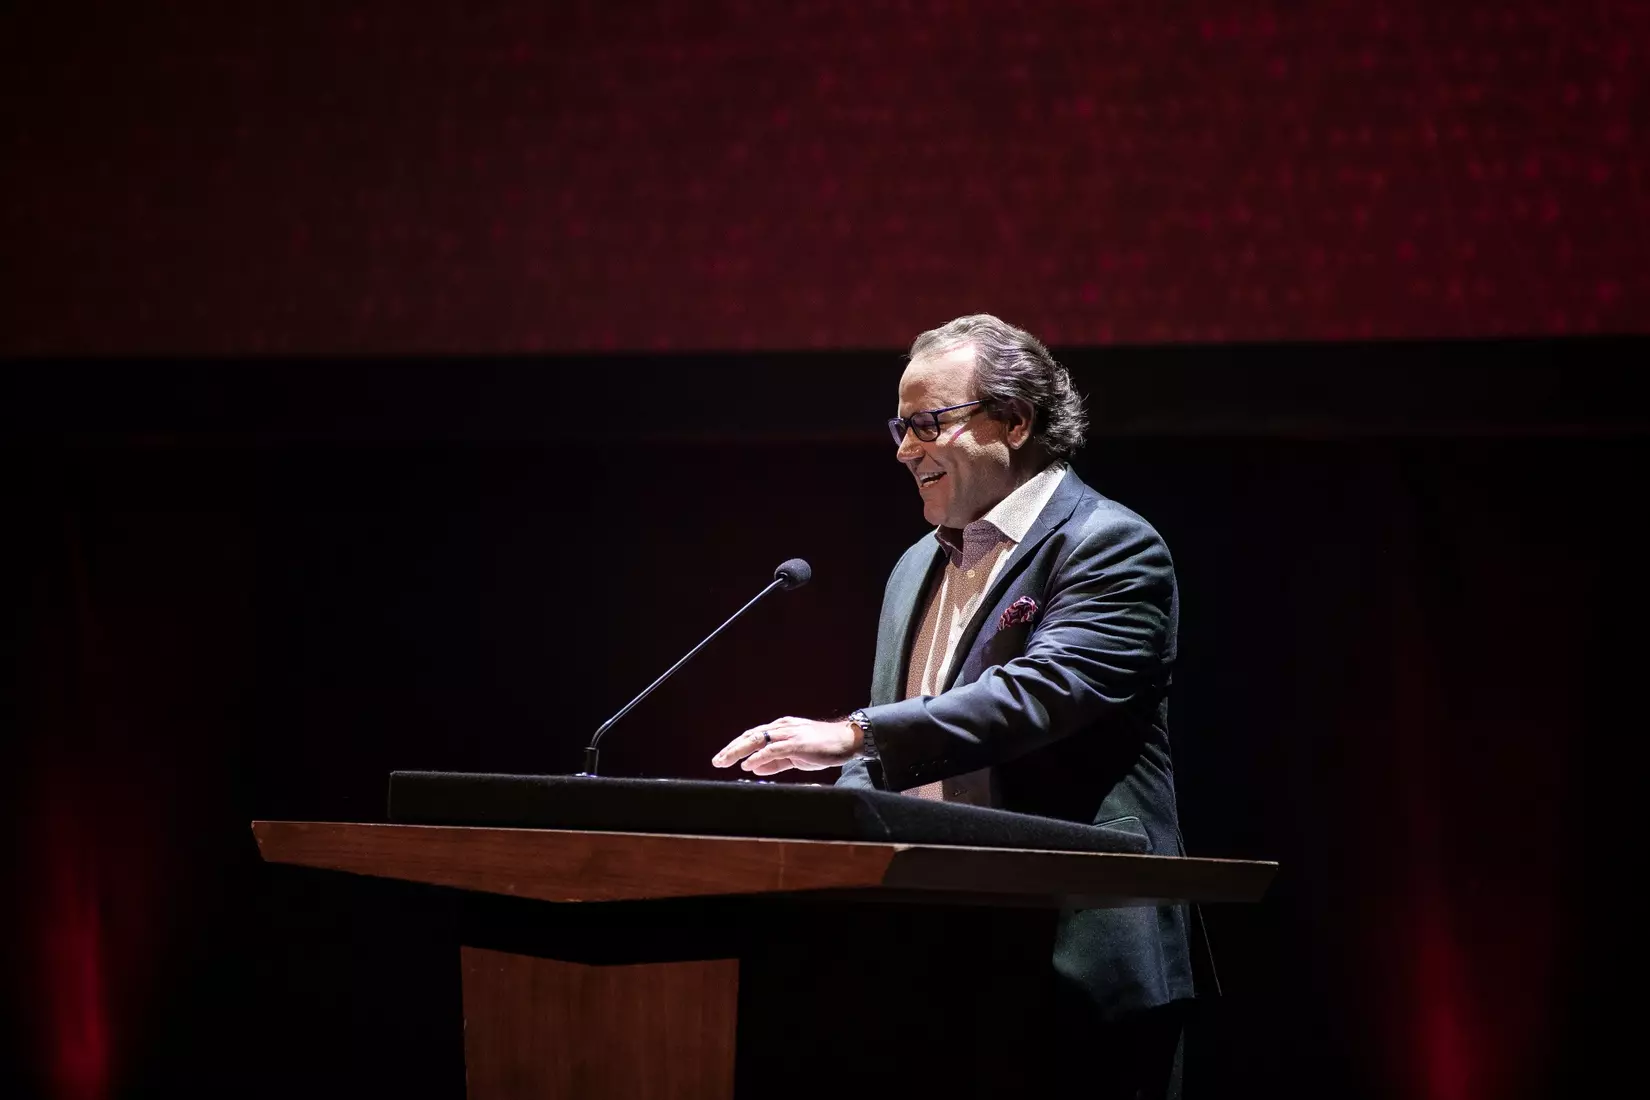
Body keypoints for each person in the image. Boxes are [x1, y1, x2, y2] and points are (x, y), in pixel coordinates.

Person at [712, 313, 1198, 1098]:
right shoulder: (914, 566)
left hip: (1074, 954)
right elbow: (891, 758)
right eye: (901, 427)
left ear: (1015, 420)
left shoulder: (1111, 544)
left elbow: (1037, 696)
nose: (906, 450)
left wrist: (853, 735)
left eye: (930, 423)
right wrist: (818, 837)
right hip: (931, 954)